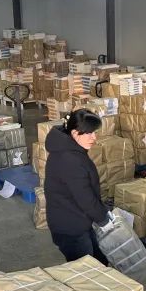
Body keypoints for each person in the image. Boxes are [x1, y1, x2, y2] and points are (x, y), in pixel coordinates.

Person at [44, 109, 111, 264]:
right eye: (89, 133)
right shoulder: (69, 159)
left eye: (95, 132)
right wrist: (103, 218)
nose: (94, 138)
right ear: (74, 133)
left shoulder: (70, 149)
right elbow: (85, 197)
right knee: (88, 270)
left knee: (100, 262)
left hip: (79, 219)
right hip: (71, 226)